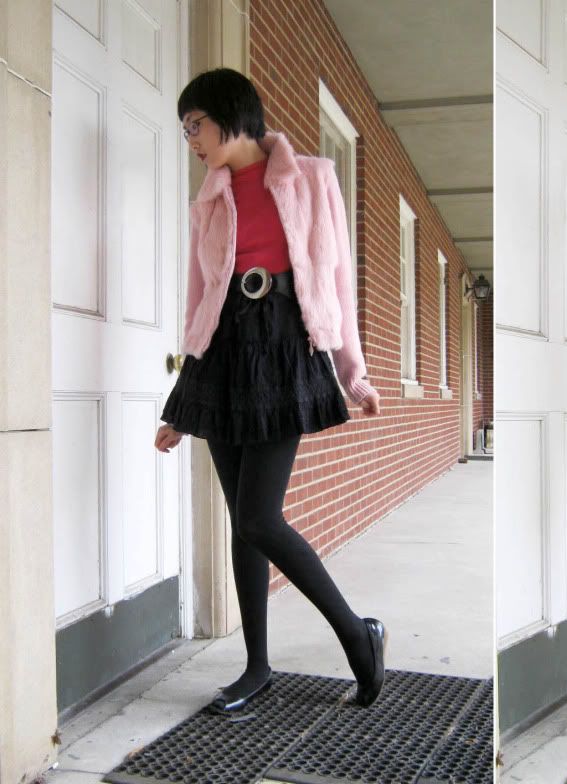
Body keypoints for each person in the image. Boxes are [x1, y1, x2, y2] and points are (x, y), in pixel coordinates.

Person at [153, 68, 386, 713]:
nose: (191, 140)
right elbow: (200, 298)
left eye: (195, 125)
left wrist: (352, 370)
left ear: (232, 114)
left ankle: (358, 635)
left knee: (260, 517)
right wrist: (184, 403)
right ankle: (257, 667)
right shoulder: (209, 198)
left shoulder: (311, 177)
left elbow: (335, 277)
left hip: (286, 347)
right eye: (184, 130)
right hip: (224, 352)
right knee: (243, 521)